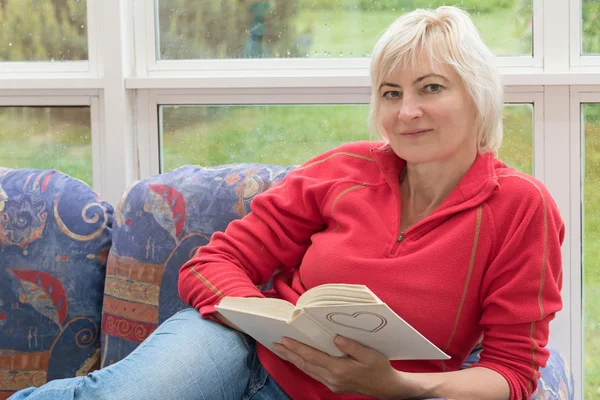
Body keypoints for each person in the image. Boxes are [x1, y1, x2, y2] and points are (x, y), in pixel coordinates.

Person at [10, 5, 563, 400]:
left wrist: (400, 387)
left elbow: (513, 373)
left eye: (431, 88)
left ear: (479, 95)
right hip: (235, 348)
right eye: (390, 93)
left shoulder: (521, 209)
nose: (406, 111)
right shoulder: (345, 170)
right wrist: (266, 317)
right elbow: (211, 263)